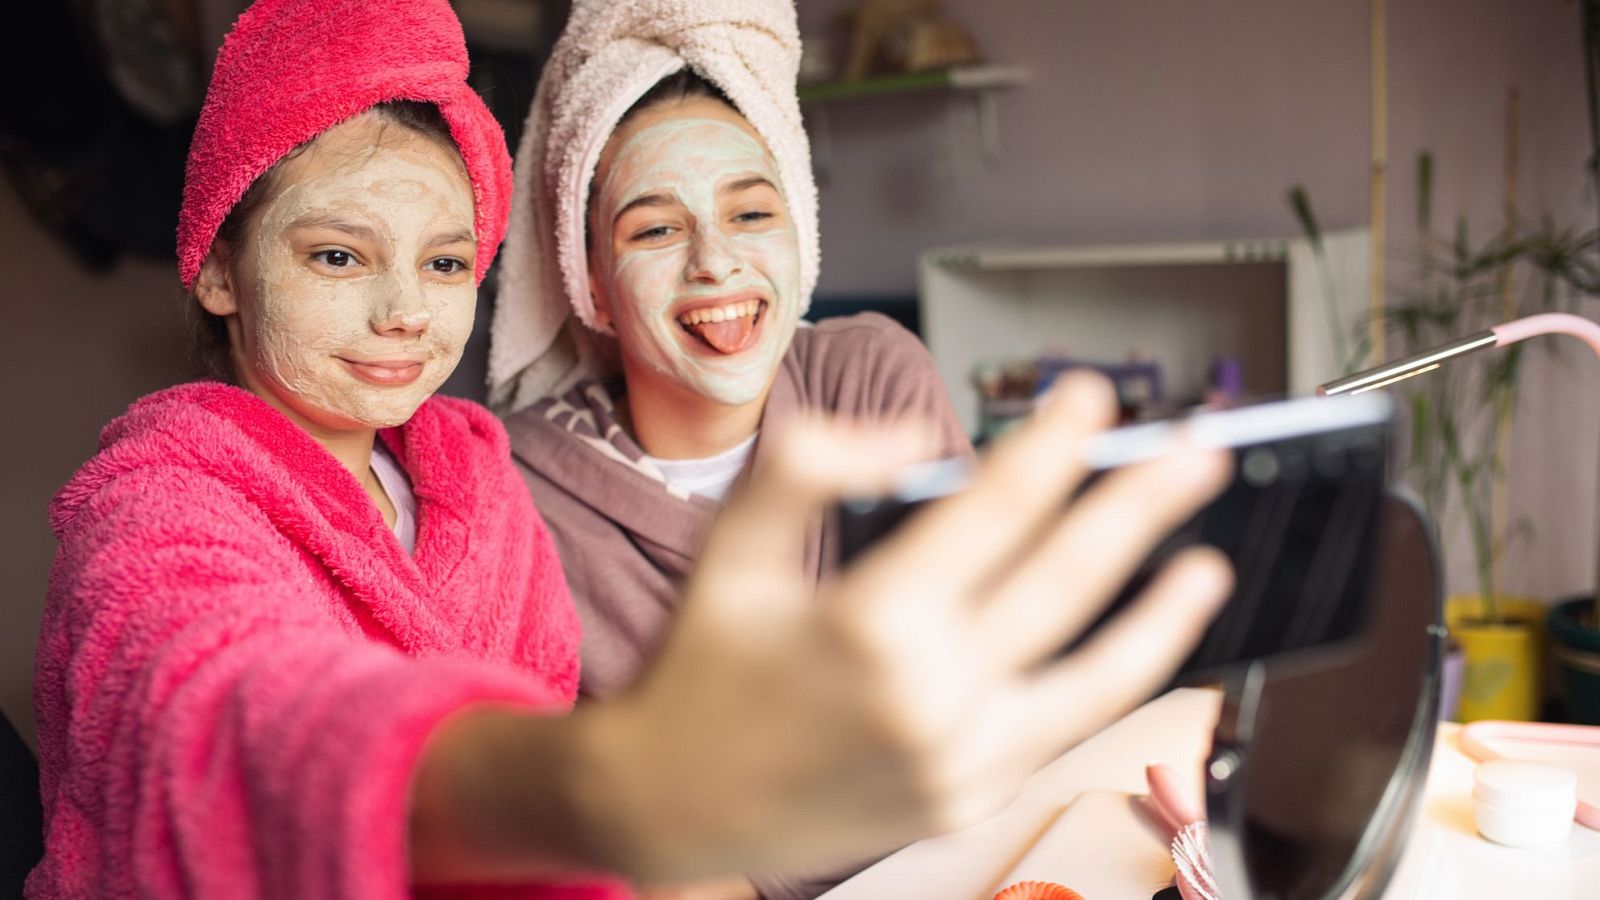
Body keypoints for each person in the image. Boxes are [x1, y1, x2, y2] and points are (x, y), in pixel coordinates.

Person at [32, 0, 1236, 897]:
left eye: (447, 261)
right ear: (219, 268)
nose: (406, 311)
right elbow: (228, 715)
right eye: (337, 255)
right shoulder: (157, 504)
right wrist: (619, 789)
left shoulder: (464, 483)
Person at [487, 0, 971, 706]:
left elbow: (959, 656)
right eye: (654, 231)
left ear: (798, 229)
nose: (715, 262)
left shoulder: (868, 376)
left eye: (750, 215)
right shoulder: (520, 485)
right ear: (589, 282)